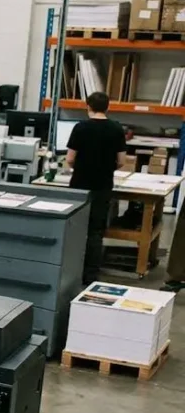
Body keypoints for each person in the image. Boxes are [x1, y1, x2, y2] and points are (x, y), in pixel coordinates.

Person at [65, 92, 129, 285]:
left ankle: (71, 269)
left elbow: (69, 158)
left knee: (76, 228)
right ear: (108, 107)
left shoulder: (80, 128)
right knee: (95, 231)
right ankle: (91, 274)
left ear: (88, 107)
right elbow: (121, 161)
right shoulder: (117, 129)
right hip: (103, 185)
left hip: (79, 186)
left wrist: (81, 167)